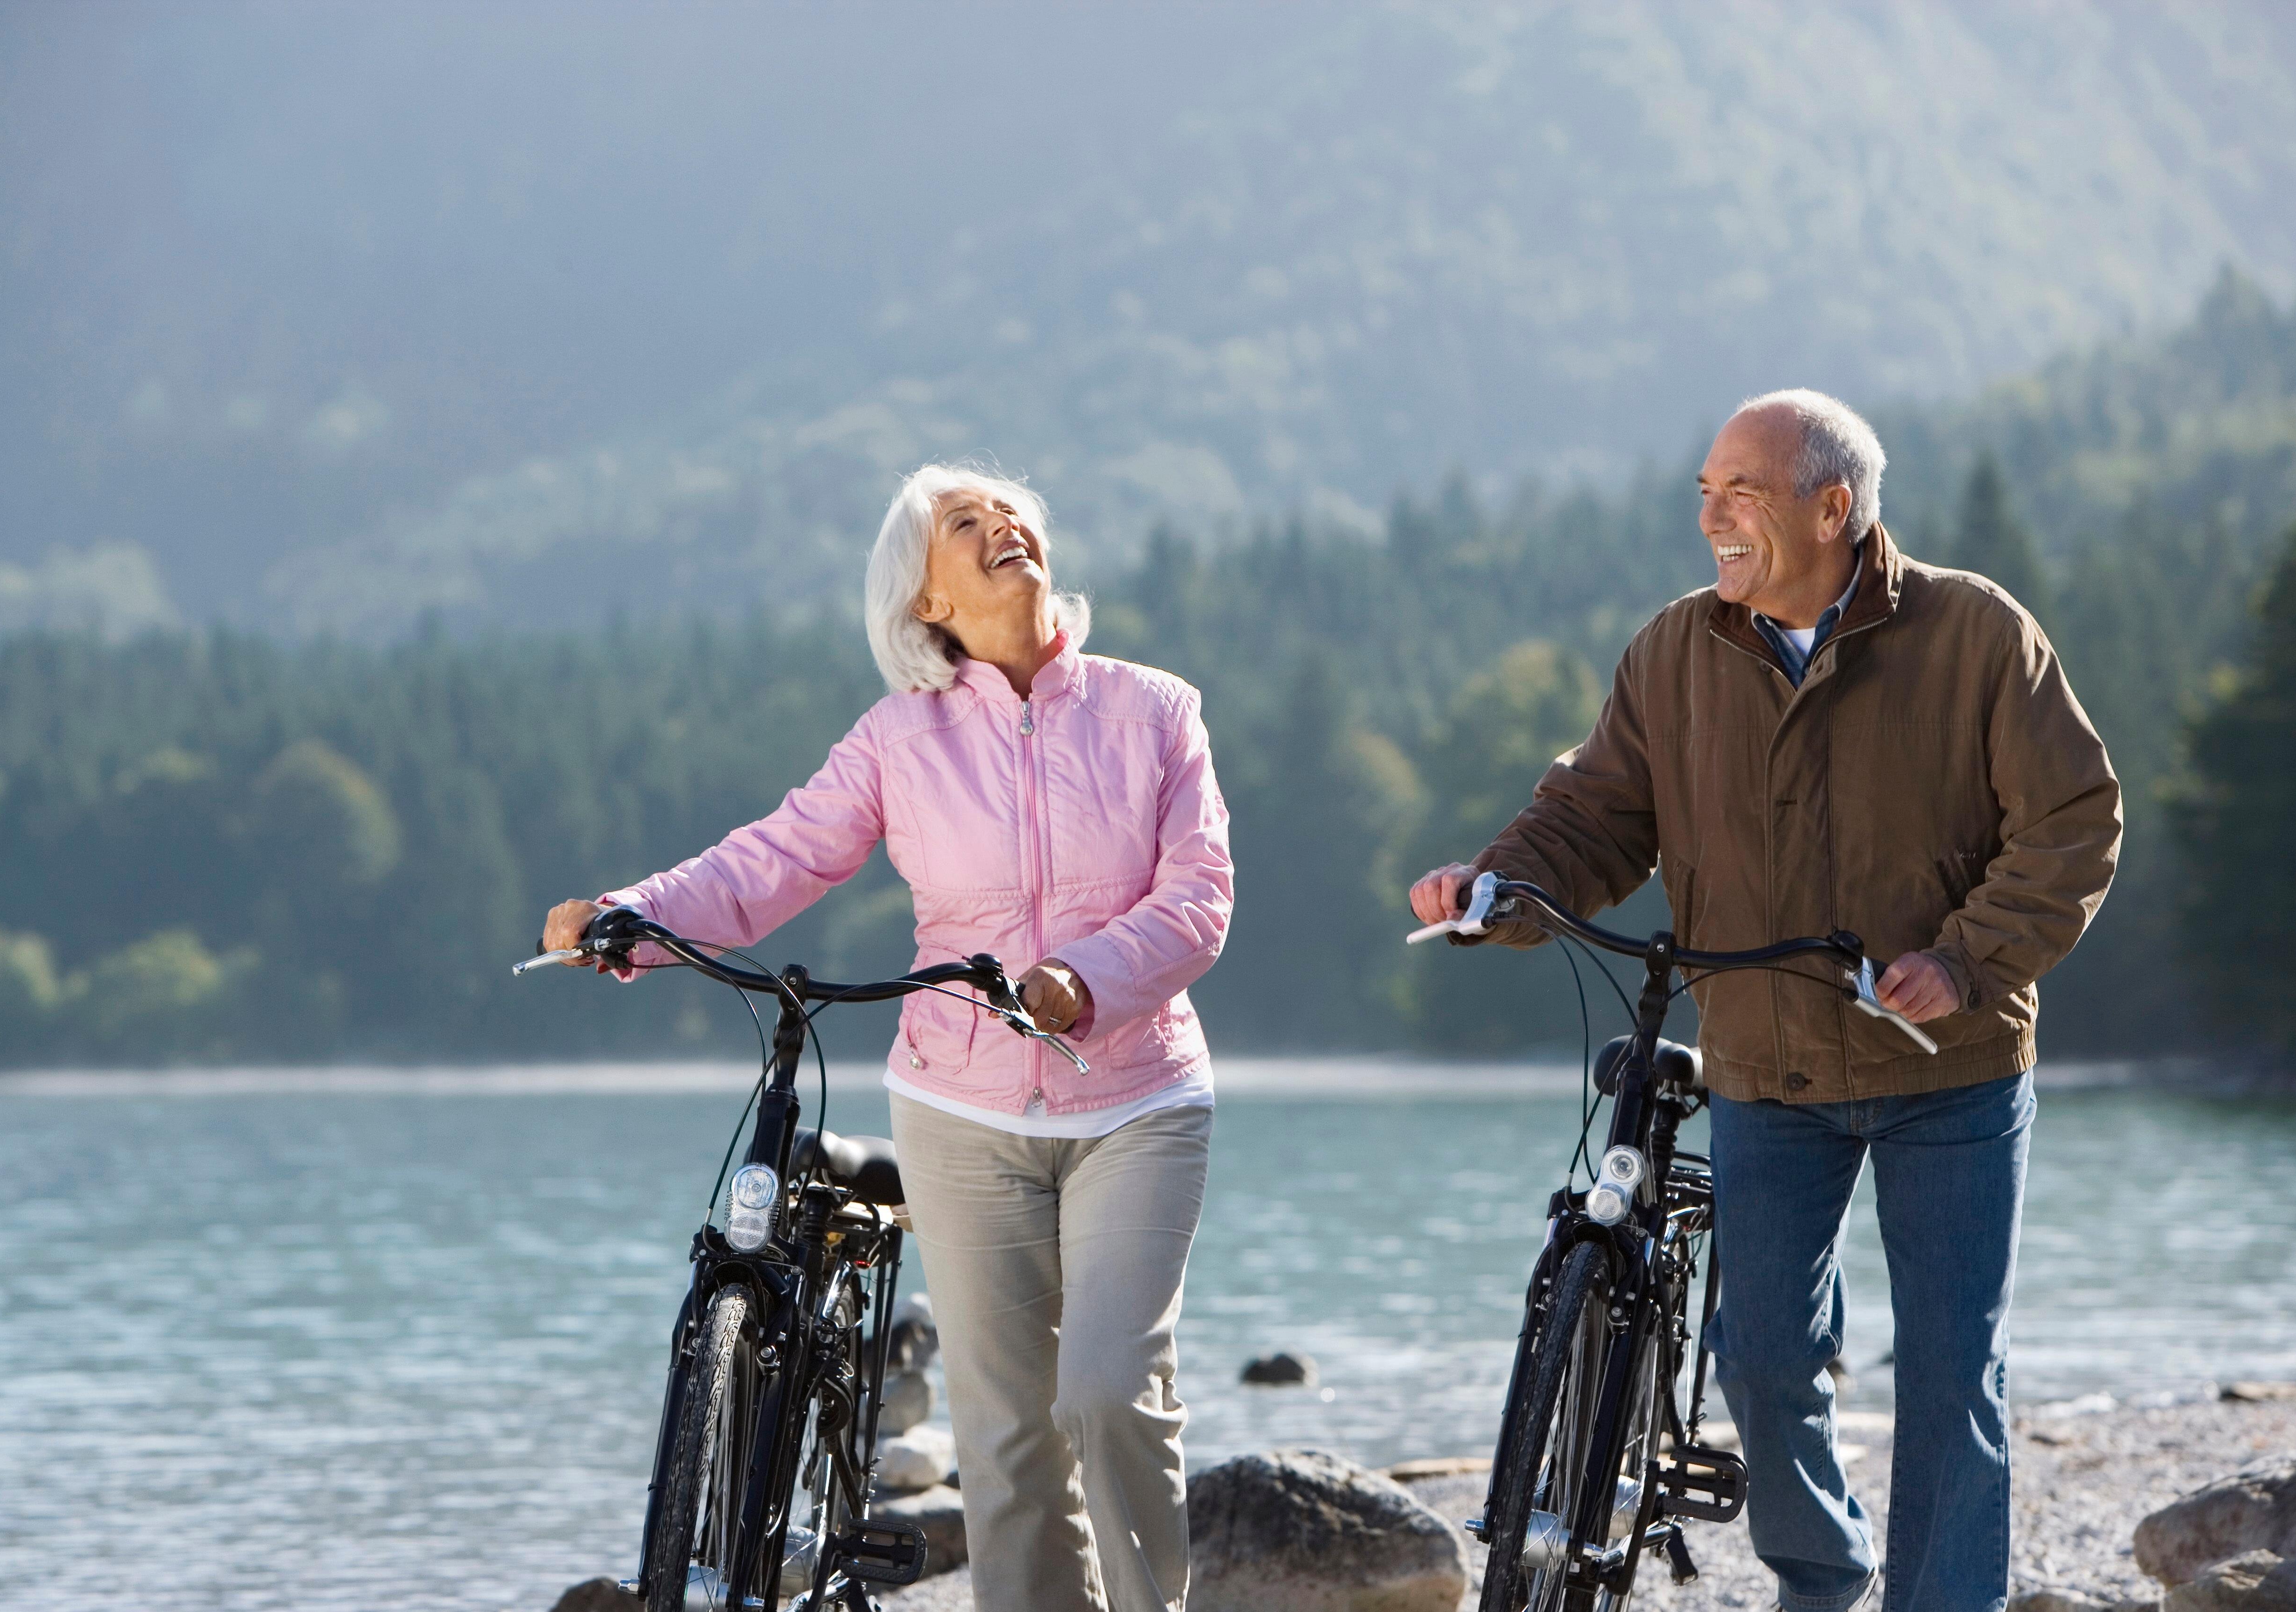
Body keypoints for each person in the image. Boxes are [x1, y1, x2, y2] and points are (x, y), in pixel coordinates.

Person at [1409, 391, 2120, 1612]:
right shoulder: (1675, 652)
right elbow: (1594, 813)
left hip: (1947, 1066)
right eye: (1703, 491)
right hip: (1762, 1067)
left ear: (1832, 507)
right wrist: (1501, 886)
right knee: (1761, 1358)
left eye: (1741, 492)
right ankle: (1822, 1574)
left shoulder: (1974, 635)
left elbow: (2071, 822)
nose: (1712, 520)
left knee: (1953, 1372)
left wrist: (1962, 959)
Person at [541, 464, 1232, 1612]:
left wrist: (1081, 977)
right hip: (960, 1112)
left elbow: (1198, 898)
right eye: (966, 524)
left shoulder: (1154, 708)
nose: (1004, 526)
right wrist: (634, 917)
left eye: (1012, 513)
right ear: (925, 603)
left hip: (1136, 1099)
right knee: (1007, 1438)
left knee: (1110, 1390)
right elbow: (774, 861)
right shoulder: (897, 741)